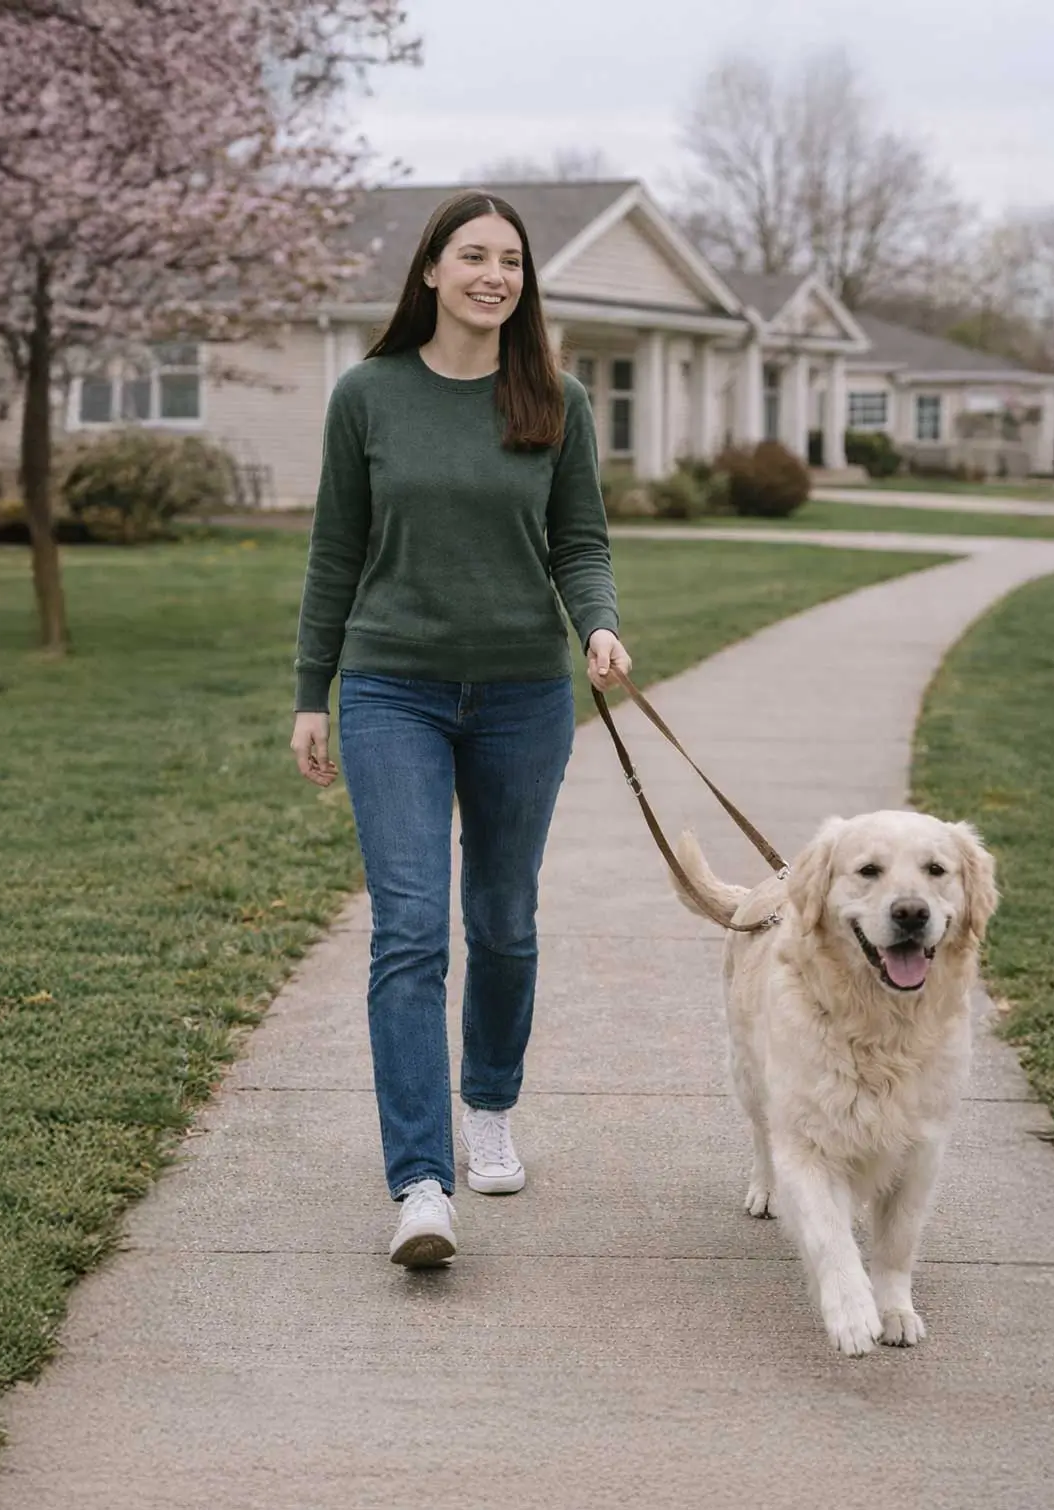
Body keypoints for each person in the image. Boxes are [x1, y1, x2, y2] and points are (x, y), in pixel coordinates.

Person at [288, 189, 632, 1269]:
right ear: (431, 269)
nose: (495, 275)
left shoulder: (554, 398)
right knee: (408, 929)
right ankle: (421, 1181)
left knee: (505, 921)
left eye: (512, 261)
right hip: (394, 690)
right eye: (474, 255)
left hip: (523, 696)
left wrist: (600, 626)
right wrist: (313, 691)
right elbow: (334, 553)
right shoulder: (368, 396)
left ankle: (489, 1104)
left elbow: (579, 540)